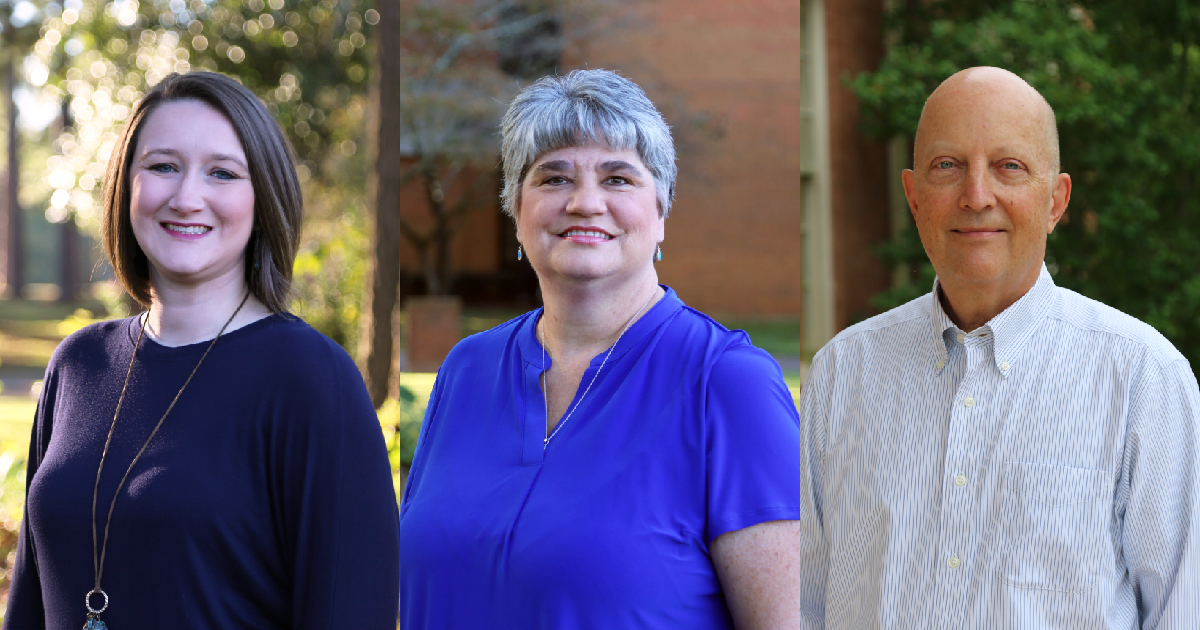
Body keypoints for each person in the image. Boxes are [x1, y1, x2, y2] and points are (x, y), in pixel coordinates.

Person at [396, 69, 803, 629]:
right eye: (554, 178)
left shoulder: (728, 384)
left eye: (618, 179)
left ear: (660, 213)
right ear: (516, 211)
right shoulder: (466, 370)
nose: (585, 203)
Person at [795, 66, 1200, 627]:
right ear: (914, 197)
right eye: (948, 166)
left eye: (1009, 167)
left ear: (1055, 202)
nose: (976, 195)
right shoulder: (842, 373)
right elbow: (805, 610)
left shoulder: (1143, 378)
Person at [4, 72, 401, 629]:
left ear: (262, 196)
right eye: (163, 166)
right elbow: (28, 606)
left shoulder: (311, 379)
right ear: (127, 186)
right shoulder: (78, 365)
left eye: (222, 173)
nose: (187, 198)